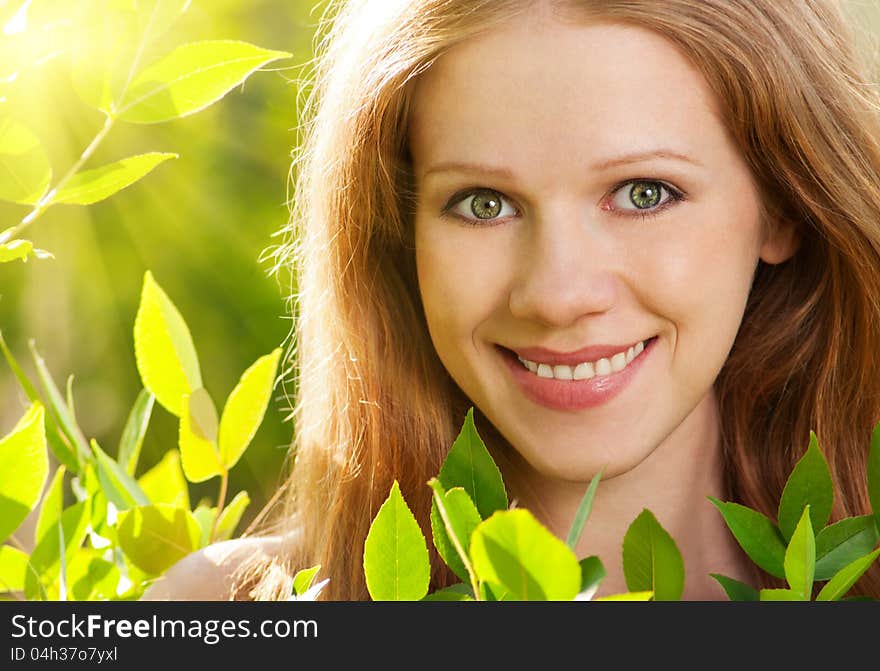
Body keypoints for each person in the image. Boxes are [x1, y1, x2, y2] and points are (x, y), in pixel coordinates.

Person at [142, 0, 880, 601]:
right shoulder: (225, 612)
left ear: (782, 206)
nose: (557, 295)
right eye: (484, 204)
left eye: (643, 194)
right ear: (400, 235)